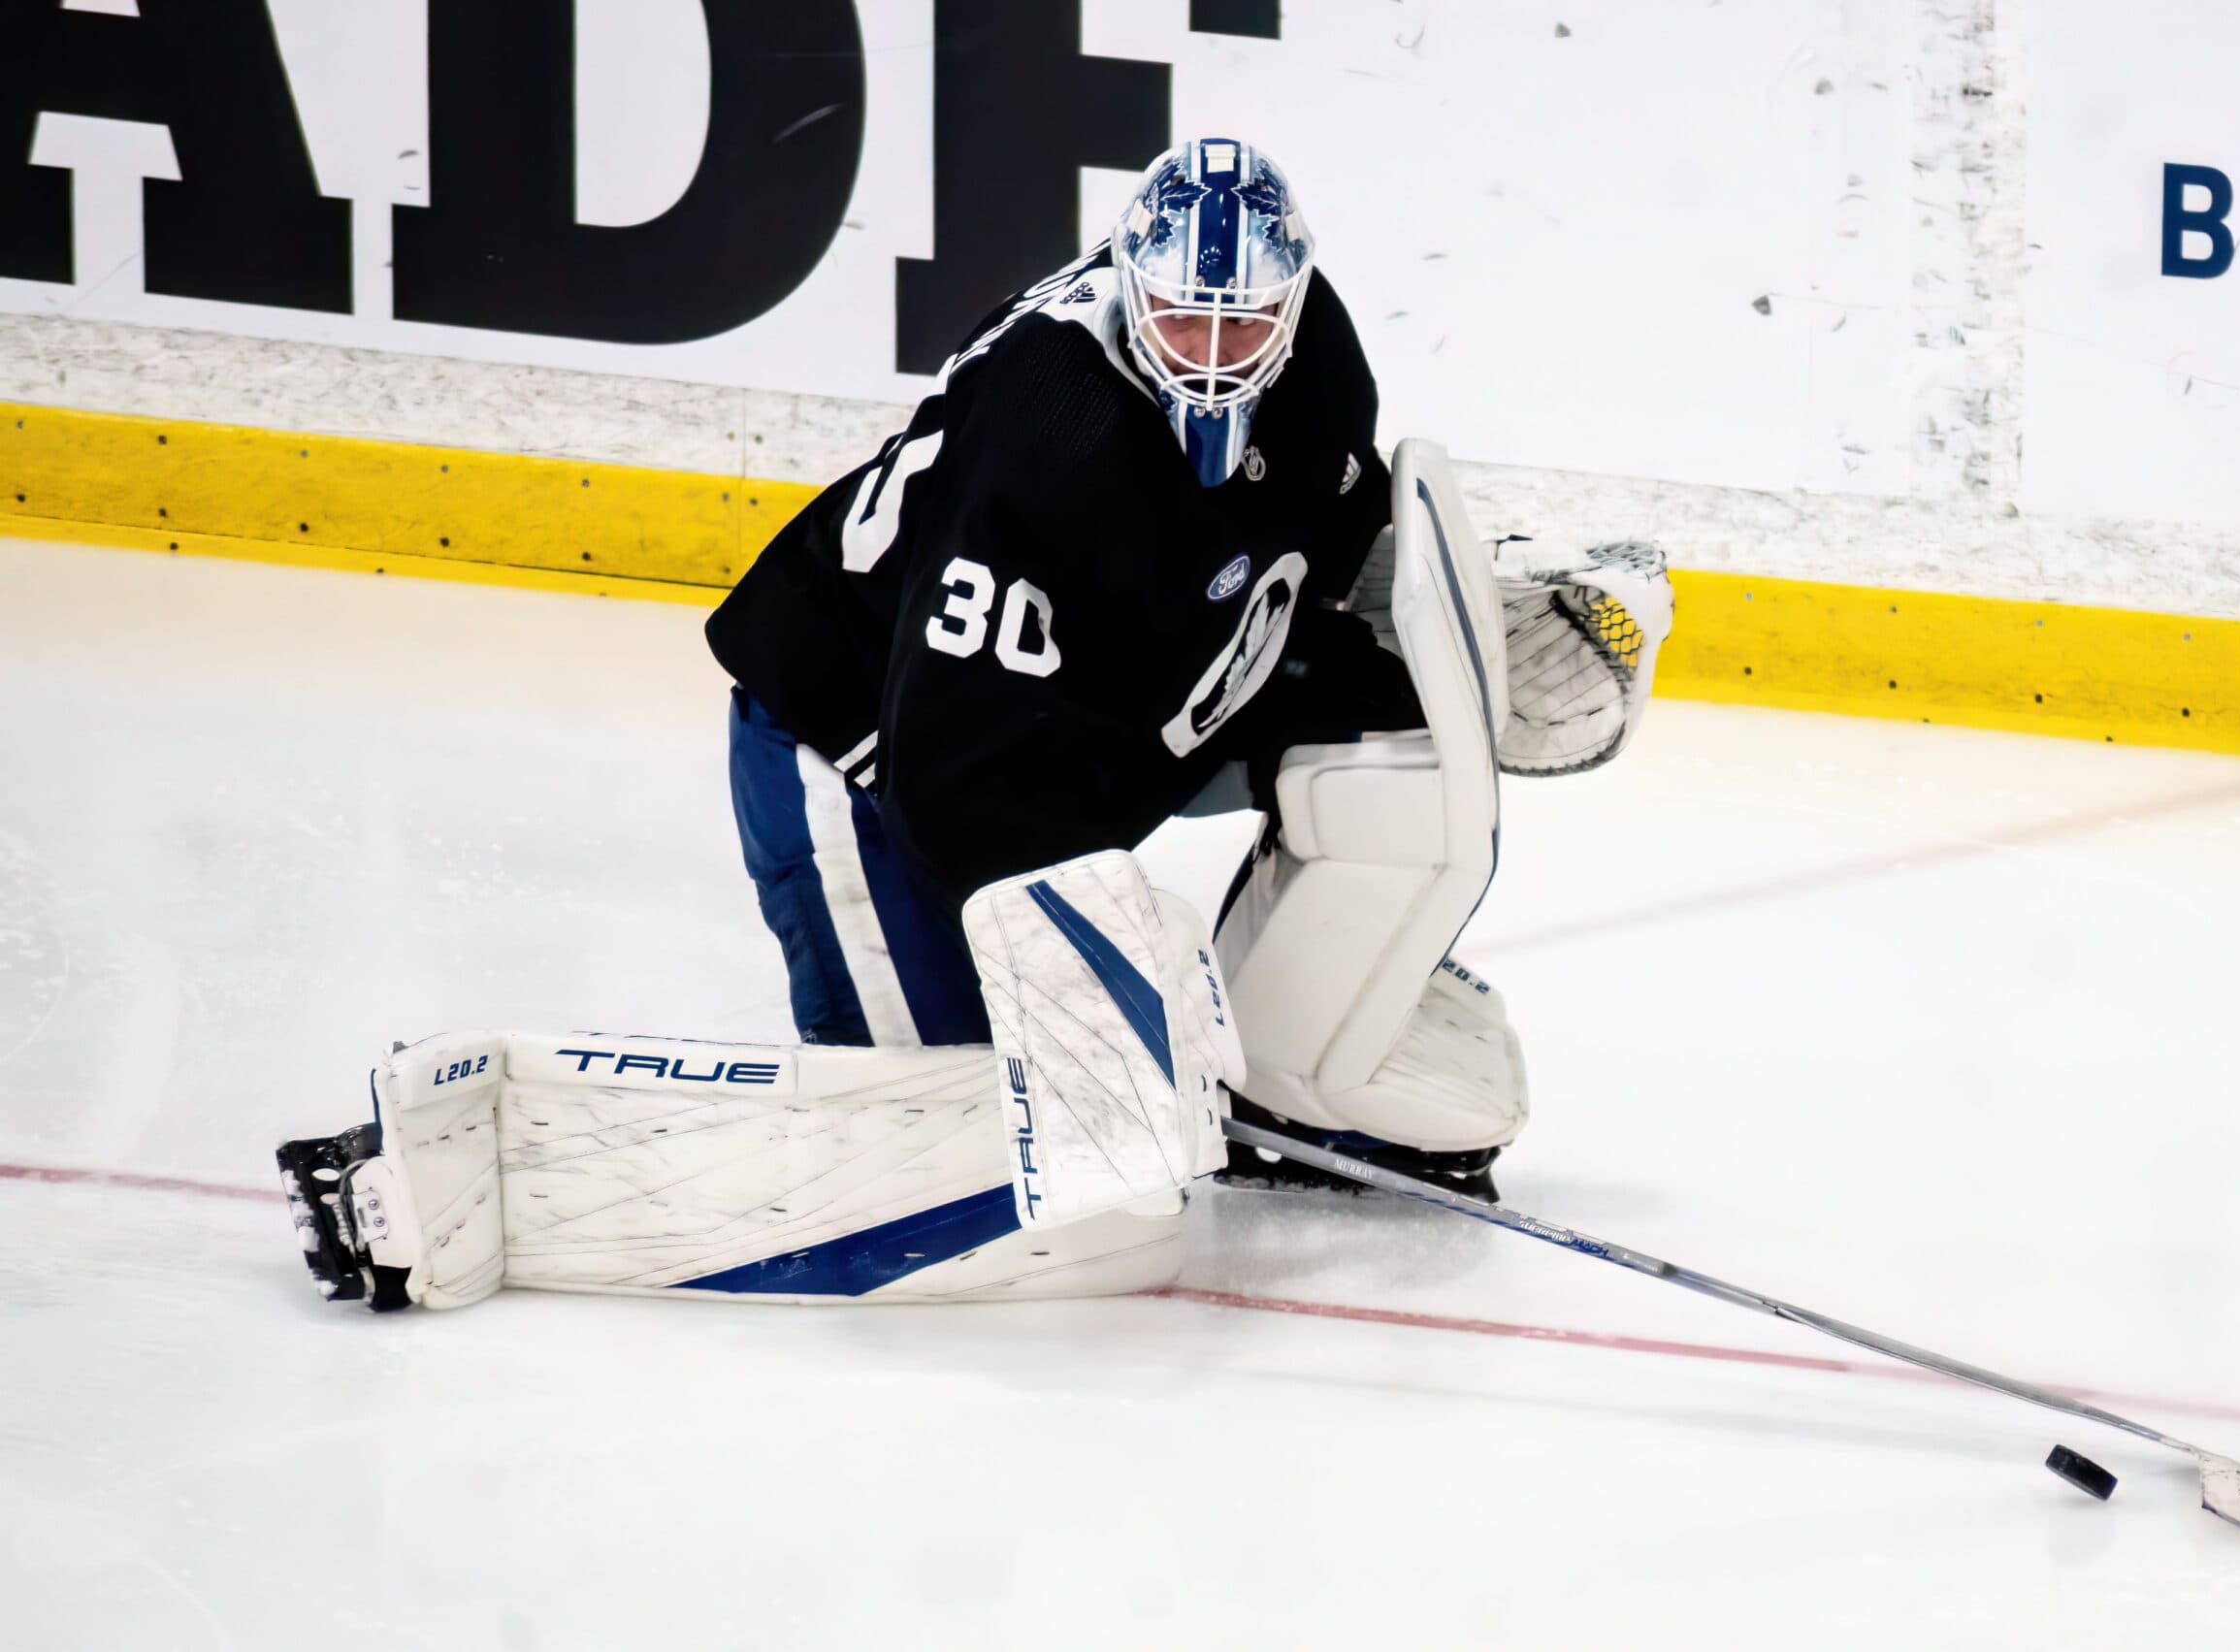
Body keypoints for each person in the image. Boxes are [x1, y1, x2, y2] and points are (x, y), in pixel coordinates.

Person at [275, 140, 1671, 1313]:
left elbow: (1310, 532)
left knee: (1142, 1045)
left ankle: (1305, 1076)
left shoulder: (1313, 356)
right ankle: (479, 1166)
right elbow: (953, 781)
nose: (1216, 356)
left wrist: (1463, 634)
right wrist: (1125, 980)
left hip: (1090, 701)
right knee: (961, 1144)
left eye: (1247, 326)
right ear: (1132, 291)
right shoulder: (1051, 446)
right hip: (866, 752)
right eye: (1185, 323)